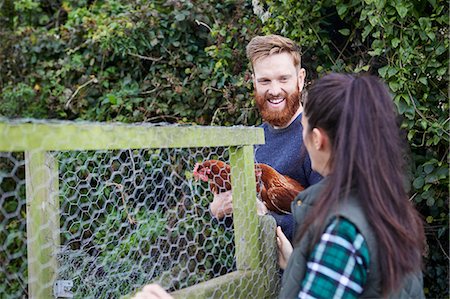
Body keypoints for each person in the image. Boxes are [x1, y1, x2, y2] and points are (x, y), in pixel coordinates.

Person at [277, 73, 426, 298]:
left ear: (317, 138)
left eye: (303, 128)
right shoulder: (388, 204)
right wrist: (296, 265)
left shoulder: (342, 230)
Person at [210, 34, 322, 242]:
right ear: (254, 82)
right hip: (255, 271)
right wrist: (219, 211)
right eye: (264, 81)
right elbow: (236, 222)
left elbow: (326, 221)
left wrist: (265, 219)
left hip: (298, 272)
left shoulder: (318, 138)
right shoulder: (250, 142)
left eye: (283, 79)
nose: (274, 90)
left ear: (300, 78)